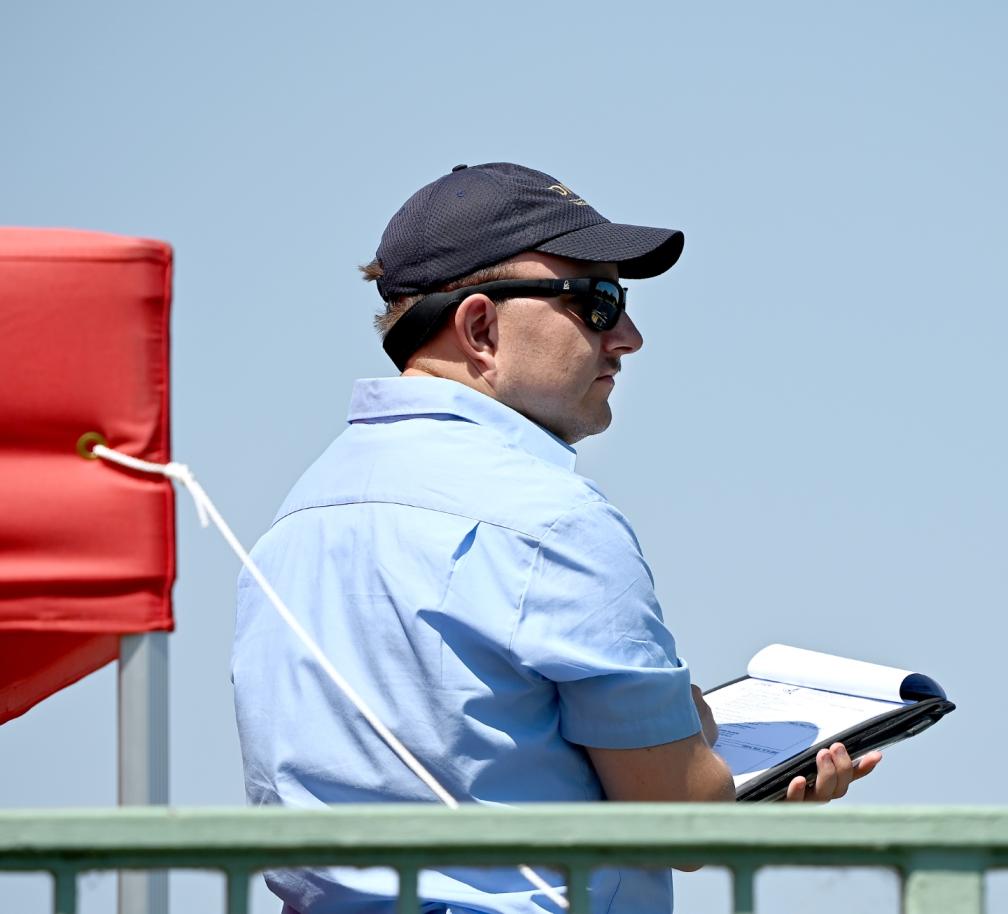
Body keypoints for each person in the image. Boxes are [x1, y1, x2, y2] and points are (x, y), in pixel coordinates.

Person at [231, 162, 880, 914]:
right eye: (597, 303)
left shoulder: (297, 517)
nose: (629, 337)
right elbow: (680, 820)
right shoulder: (553, 519)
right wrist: (698, 730)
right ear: (480, 328)